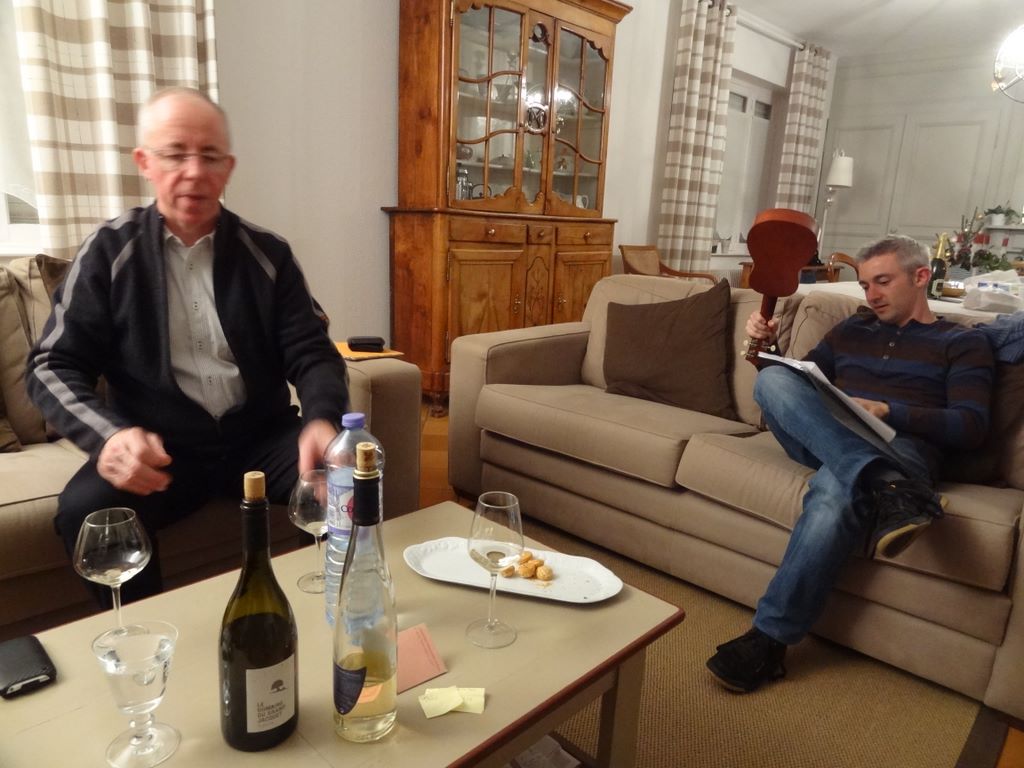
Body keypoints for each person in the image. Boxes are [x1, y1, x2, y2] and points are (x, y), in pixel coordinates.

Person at [26, 87, 348, 603]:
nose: (194, 172)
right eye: (176, 154)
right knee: (86, 511)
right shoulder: (108, 252)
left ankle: (344, 612)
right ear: (145, 163)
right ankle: (144, 632)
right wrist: (109, 437)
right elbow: (51, 364)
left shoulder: (269, 255)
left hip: (260, 440)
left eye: (210, 156)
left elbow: (313, 353)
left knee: (355, 475)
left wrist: (322, 420)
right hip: (163, 451)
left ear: (228, 168)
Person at [706, 235, 994, 693]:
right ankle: (888, 485)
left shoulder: (962, 342)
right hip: (831, 435)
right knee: (773, 380)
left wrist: (887, 410)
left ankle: (768, 642)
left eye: (883, 281)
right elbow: (799, 385)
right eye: (864, 285)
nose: (871, 294)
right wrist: (766, 349)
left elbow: (970, 426)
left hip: (902, 447)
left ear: (921, 276)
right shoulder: (851, 330)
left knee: (836, 489)